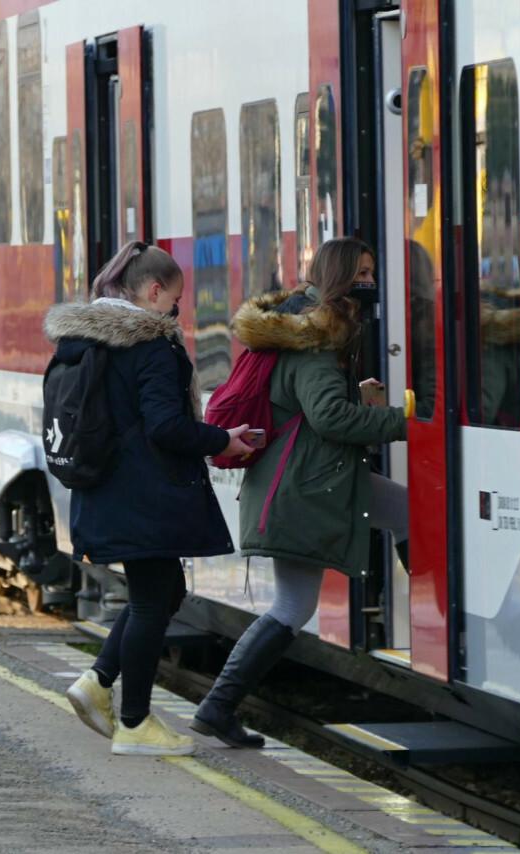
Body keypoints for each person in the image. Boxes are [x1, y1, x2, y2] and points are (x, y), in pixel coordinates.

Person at [191, 237, 410, 748]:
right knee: (292, 606)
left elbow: (306, 406)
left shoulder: (296, 325)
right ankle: (217, 706)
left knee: (405, 514)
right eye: (361, 271)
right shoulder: (318, 336)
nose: (369, 282)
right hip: (305, 489)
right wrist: (405, 422)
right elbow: (328, 417)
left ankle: (217, 707)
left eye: (372, 270)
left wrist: (361, 401)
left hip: (304, 481)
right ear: (338, 276)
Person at [48, 241, 254, 756]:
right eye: (175, 301)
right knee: (151, 600)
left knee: (163, 595)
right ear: (154, 290)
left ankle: (98, 681)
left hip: (106, 490)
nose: (175, 313)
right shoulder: (151, 345)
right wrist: (221, 439)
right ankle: (136, 724)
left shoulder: (84, 340)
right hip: (145, 496)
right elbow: (166, 426)